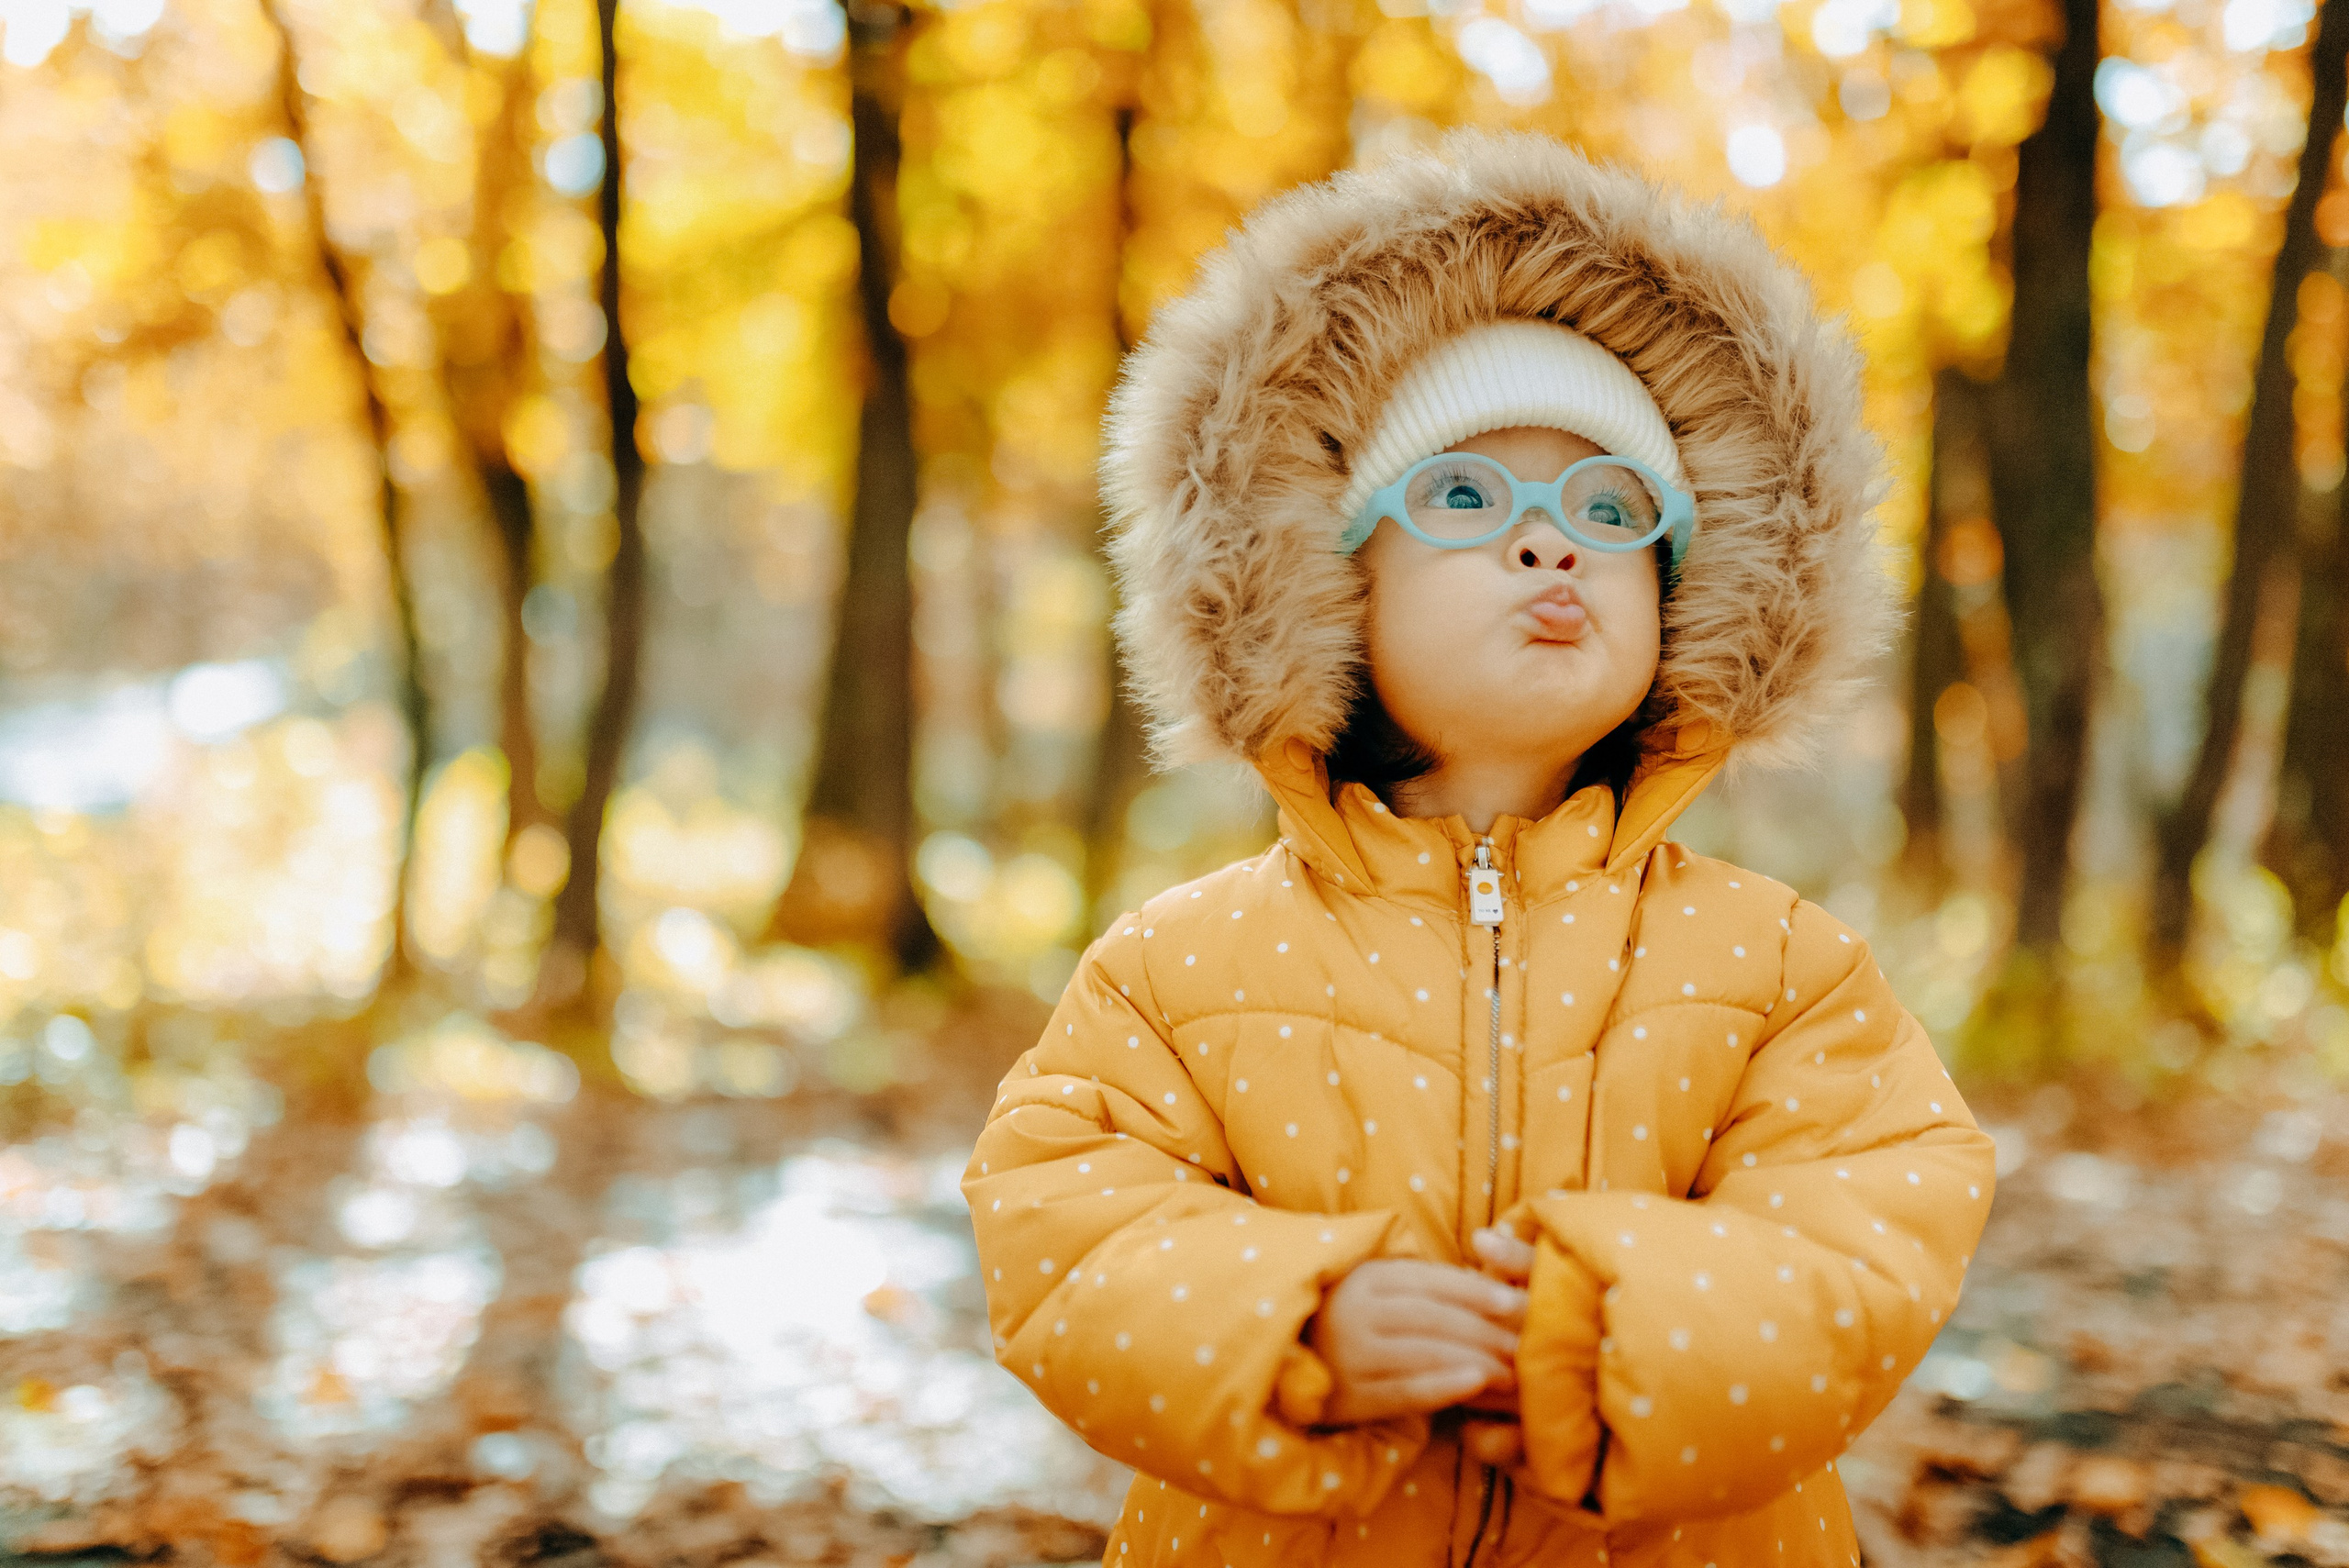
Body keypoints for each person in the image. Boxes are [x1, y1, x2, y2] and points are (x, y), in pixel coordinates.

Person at [963, 129, 1997, 1567]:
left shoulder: (1783, 968)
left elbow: (1864, 1243)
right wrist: (1292, 1322)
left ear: (1687, 592)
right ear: (1328, 577)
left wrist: (1622, 1334)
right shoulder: (1175, 970)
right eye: (1465, 495)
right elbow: (1063, 1227)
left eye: (1612, 508)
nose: (1553, 545)